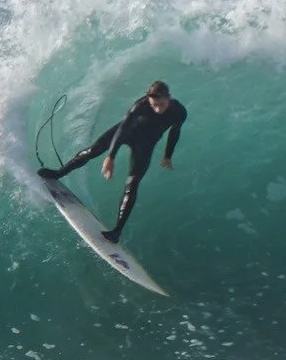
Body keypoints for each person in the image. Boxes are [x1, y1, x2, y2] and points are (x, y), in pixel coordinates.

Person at [40, 80, 187, 243]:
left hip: (145, 145)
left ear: (169, 97)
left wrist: (168, 155)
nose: (158, 109)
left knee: (132, 184)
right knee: (91, 151)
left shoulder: (179, 112)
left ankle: (116, 231)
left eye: (161, 104)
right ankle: (58, 173)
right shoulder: (140, 106)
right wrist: (111, 156)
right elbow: (123, 128)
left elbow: (175, 132)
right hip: (126, 133)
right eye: (154, 105)